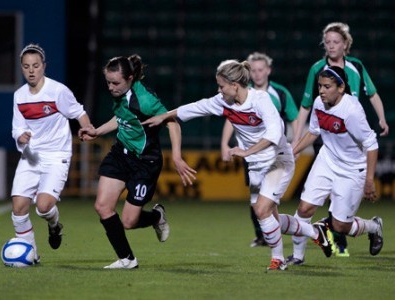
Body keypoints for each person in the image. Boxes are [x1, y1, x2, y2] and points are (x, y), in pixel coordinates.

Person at [143, 59, 333, 271]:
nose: (219, 90)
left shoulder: (261, 100)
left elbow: (274, 133)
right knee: (270, 218)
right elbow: (196, 107)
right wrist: (163, 116)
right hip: (256, 165)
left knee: (262, 211)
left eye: (221, 85)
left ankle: (278, 260)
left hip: (278, 159)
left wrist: (246, 151)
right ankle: (317, 232)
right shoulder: (223, 101)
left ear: (235, 85)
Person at [78, 55, 196, 269]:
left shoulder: (146, 100)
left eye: (116, 83)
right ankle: (127, 259)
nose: (111, 87)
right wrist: (97, 131)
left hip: (145, 163)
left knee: (129, 222)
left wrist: (177, 156)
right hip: (120, 155)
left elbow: (173, 123)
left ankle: (155, 217)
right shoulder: (121, 94)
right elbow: (121, 117)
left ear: (130, 78)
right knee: (103, 206)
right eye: (108, 82)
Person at [293, 22, 389, 257]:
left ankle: (374, 227)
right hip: (327, 158)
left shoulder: (352, 110)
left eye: (326, 87)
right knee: (304, 208)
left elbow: (372, 144)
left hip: (352, 167)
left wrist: (369, 180)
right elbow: (313, 131)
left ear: (341, 87)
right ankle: (297, 257)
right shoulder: (319, 101)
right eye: (320, 86)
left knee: (340, 226)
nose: (321, 91)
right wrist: (293, 149)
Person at [11, 43, 93, 263]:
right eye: (26, 66)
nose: (31, 70)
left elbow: (78, 112)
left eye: (35, 65)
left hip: (57, 155)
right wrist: (20, 136)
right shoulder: (19, 96)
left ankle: (54, 225)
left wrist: (87, 127)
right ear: (21, 68)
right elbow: (17, 127)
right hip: (31, 157)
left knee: (44, 206)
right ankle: (31, 255)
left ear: (43, 66)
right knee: (18, 208)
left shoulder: (57, 91)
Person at [221, 52, 299, 248]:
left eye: (261, 70)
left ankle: (280, 240)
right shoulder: (240, 94)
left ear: (268, 71)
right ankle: (263, 235)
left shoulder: (279, 93)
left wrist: (296, 145)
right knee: (255, 198)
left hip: (273, 154)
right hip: (251, 154)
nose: (257, 74)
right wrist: (224, 144)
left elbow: (294, 119)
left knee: (266, 201)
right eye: (253, 70)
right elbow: (232, 119)